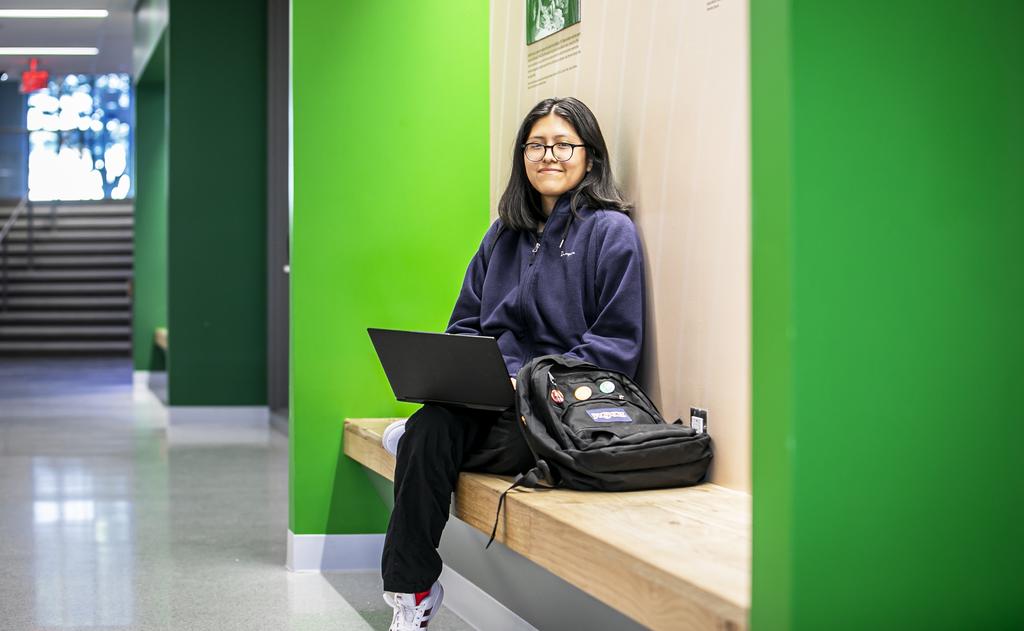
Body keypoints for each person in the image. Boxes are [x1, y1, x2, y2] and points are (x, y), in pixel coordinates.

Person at [380, 97, 646, 631]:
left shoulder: (611, 232)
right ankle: (411, 596)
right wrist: (466, 372)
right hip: (486, 399)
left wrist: (524, 380)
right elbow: (463, 327)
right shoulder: (501, 234)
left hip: (557, 407)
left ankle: (412, 439)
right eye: (536, 145)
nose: (549, 155)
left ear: (590, 158)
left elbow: (616, 346)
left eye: (563, 144)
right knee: (434, 424)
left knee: (426, 443)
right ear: (522, 156)